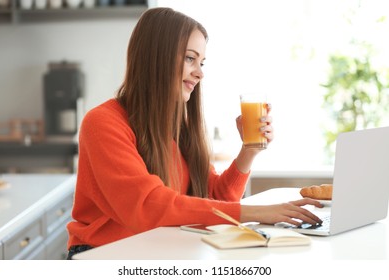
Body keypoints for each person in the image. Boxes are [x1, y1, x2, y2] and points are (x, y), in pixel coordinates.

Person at [66, 7, 322, 259]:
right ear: (156, 56)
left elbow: (216, 198)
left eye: (201, 62)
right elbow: (146, 206)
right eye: (190, 58)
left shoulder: (177, 127)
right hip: (102, 256)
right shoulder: (103, 123)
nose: (199, 73)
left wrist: (249, 149)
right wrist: (256, 212)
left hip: (155, 252)